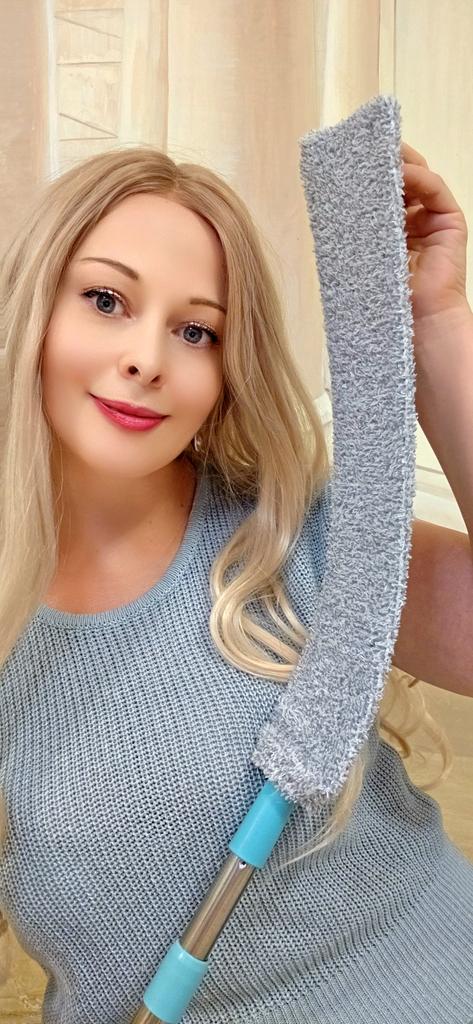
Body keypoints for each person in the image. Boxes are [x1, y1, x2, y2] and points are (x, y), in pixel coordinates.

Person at [0, 145, 471, 1024]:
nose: (146, 358)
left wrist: (439, 326)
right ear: (34, 308)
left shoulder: (292, 534)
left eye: (197, 331)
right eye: (105, 299)